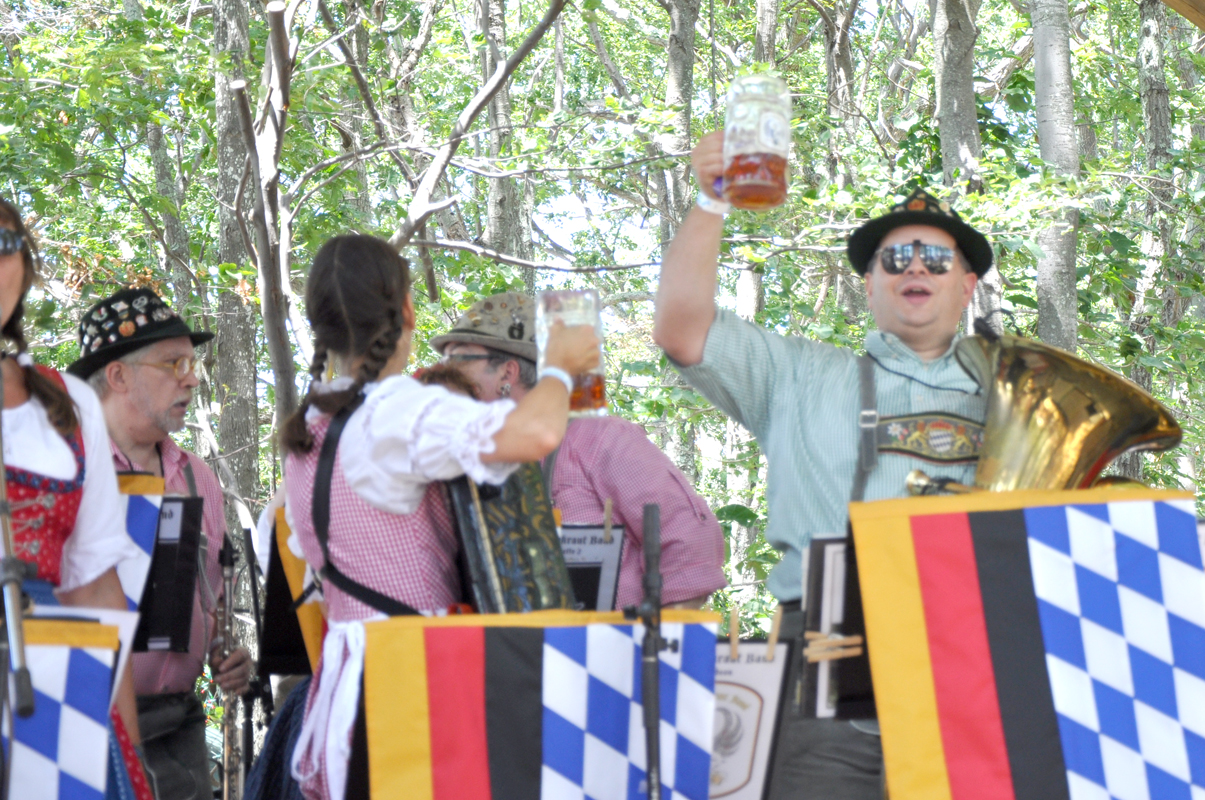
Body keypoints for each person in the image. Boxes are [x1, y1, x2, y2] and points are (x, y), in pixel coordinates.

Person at [653, 131, 994, 799]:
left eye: (934, 256)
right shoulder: (798, 373)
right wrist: (708, 200)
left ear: (967, 284)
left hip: (966, 675)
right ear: (868, 285)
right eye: (893, 258)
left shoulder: (1016, 391)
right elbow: (680, 328)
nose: (912, 268)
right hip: (821, 678)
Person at [279, 235, 599, 800]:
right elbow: (536, 434)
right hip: (409, 680)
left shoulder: (311, 423)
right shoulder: (395, 409)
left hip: (349, 678)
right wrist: (562, 370)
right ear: (405, 310)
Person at [68, 287, 253, 800]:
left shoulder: (196, 479)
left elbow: (209, 600)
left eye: (191, 362)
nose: (191, 377)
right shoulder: (64, 475)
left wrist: (224, 654)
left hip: (180, 732)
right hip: (82, 725)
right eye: (173, 363)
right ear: (118, 374)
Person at [430, 291, 728, 610]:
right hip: (511, 653)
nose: (442, 370)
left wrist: (653, 647)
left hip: (614, 654)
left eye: (457, 358)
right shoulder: (464, 456)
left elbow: (690, 542)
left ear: (507, 373)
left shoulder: (598, 439)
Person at [0, 198, 153, 798]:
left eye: (6, 243)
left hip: (53, 683)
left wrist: (131, 754)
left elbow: (94, 586)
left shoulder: (67, 402)